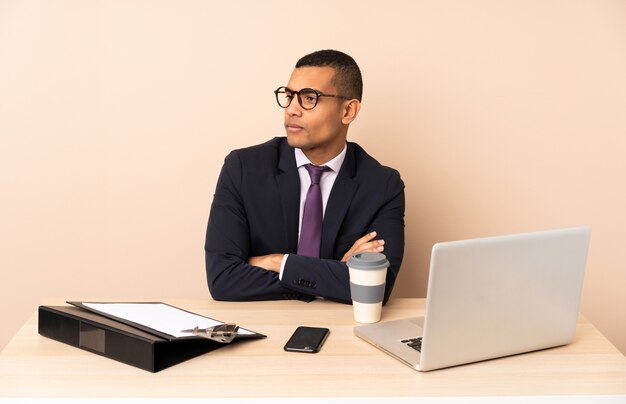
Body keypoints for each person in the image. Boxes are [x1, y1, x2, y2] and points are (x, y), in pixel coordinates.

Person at [204, 49, 405, 304]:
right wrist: (334, 272)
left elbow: (377, 287)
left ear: (348, 111)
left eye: (309, 98)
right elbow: (223, 279)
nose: (291, 110)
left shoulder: (382, 186)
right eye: (288, 97)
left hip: (342, 330)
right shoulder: (243, 168)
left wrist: (278, 262)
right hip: (264, 325)